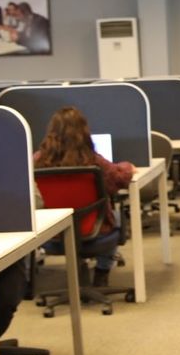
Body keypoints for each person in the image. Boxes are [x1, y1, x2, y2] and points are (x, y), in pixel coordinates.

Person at [33, 106, 134, 288]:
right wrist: (128, 167)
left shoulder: (37, 161)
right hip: (95, 233)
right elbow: (120, 178)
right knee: (116, 217)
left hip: (54, 236)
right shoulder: (93, 160)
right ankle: (102, 272)